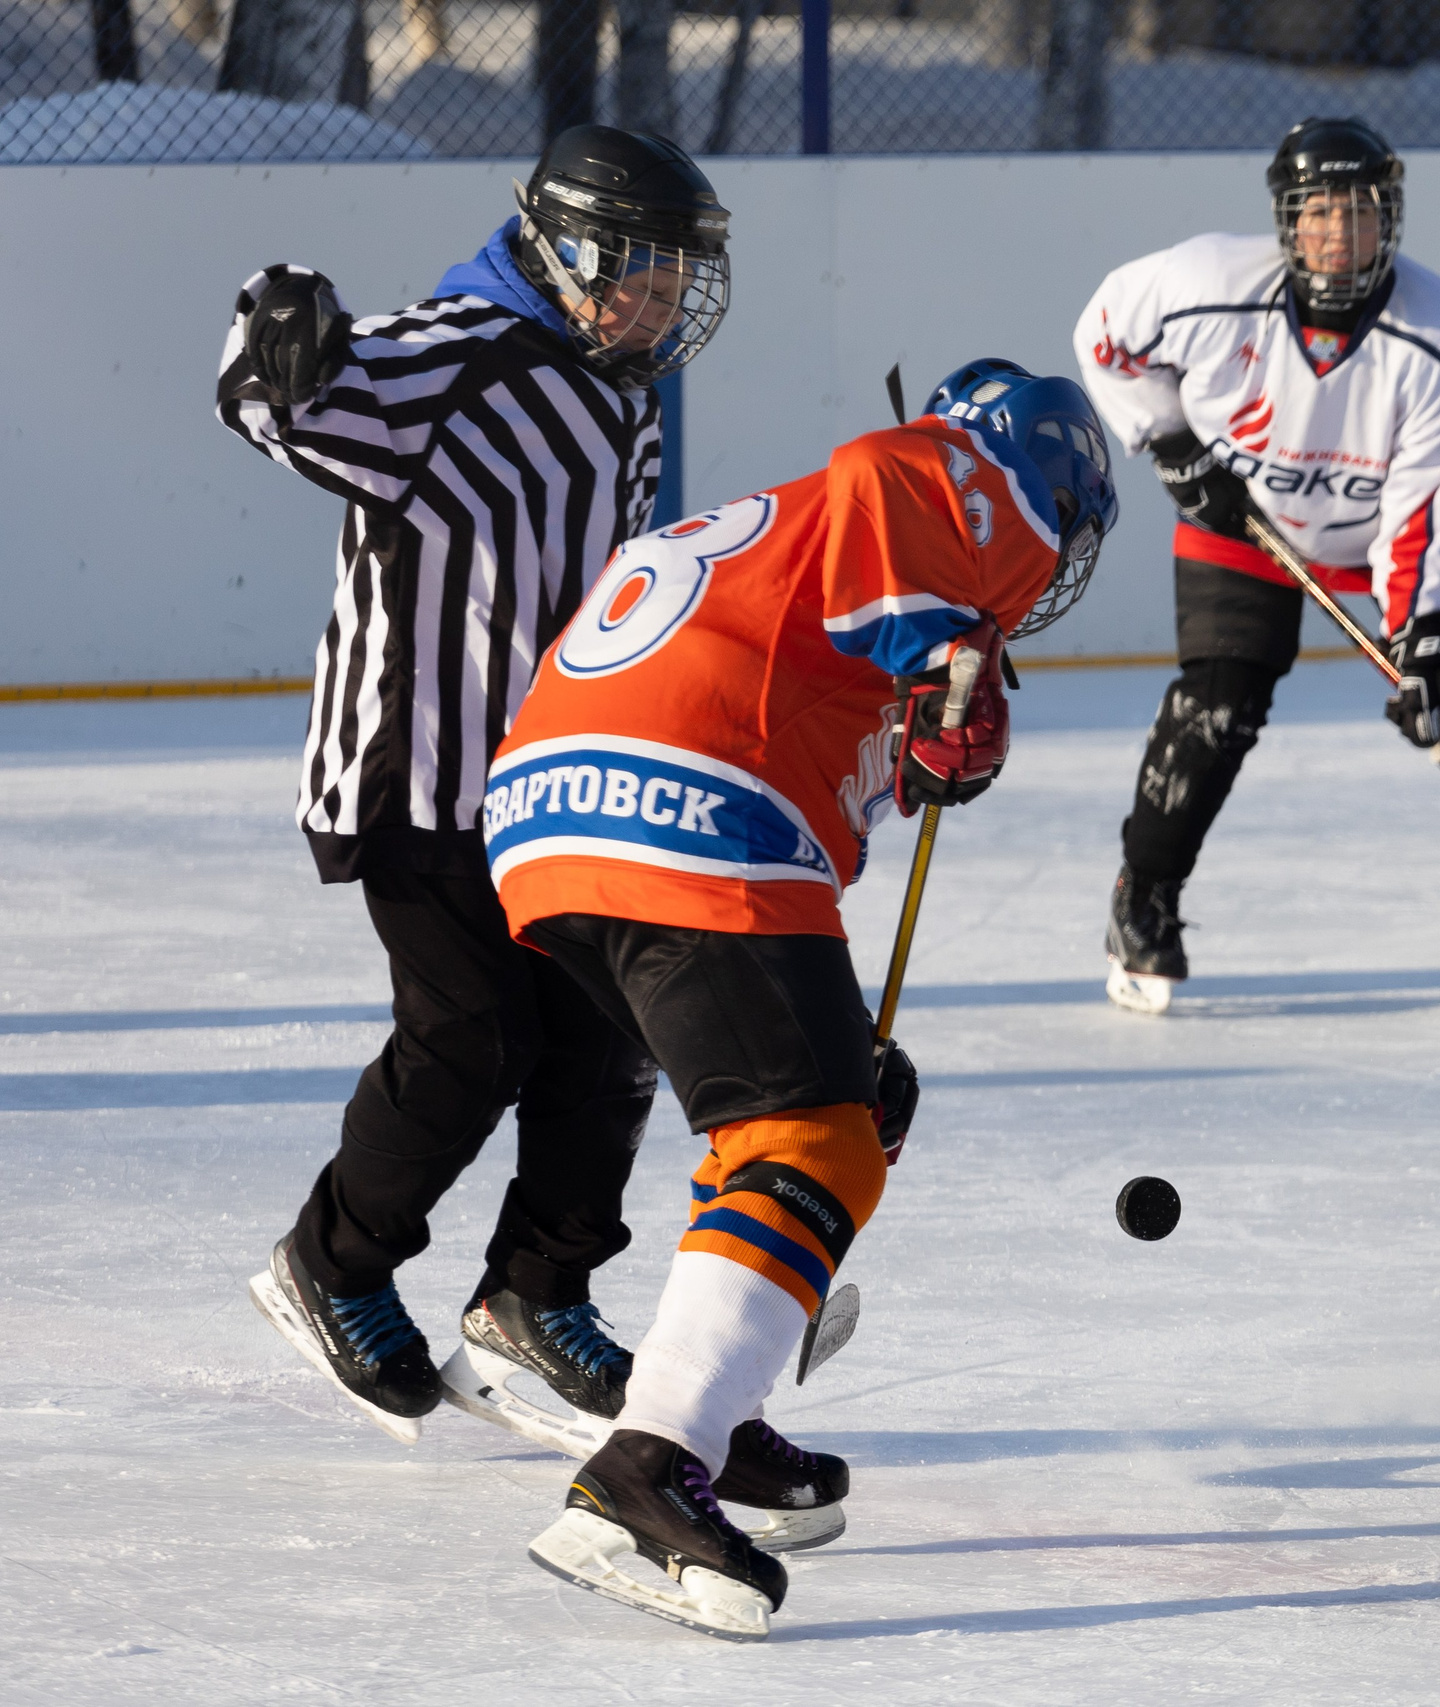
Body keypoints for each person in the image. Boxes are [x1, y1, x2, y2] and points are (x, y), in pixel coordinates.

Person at [484, 360, 1116, 1638]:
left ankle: (707, 1415)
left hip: (556, 819)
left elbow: (846, 739)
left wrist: (930, 733)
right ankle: (644, 1471)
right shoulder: (947, 484)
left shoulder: (796, 549)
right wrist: (943, 646)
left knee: (801, 1124)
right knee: (812, 1140)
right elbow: (890, 471)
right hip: (684, 799)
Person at [218, 126, 774, 1481]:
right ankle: (330, 1260)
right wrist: (280, 323)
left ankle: (537, 1288)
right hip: (414, 772)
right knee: (467, 1038)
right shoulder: (458, 347)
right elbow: (279, 390)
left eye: (675, 275)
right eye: (640, 269)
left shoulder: (622, 386)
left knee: (606, 1028)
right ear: (568, 247)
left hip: (549, 783)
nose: (659, 299)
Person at [1072, 116, 1440, 1015]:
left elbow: (1425, 501)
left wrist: (1424, 635)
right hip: (1246, 526)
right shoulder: (1201, 284)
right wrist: (1170, 441)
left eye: (1361, 212)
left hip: (1393, 534)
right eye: (1320, 213)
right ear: (1286, 221)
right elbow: (1104, 339)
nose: (1340, 234)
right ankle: (1144, 897)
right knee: (1215, 705)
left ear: (1390, 219)